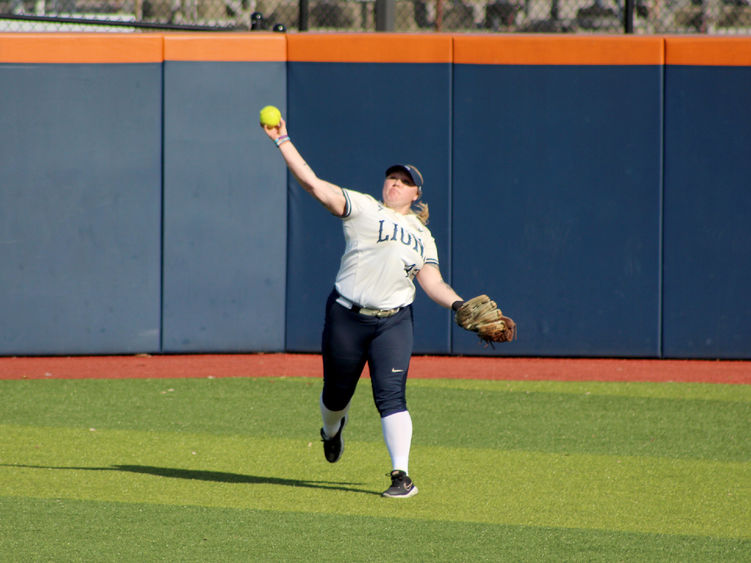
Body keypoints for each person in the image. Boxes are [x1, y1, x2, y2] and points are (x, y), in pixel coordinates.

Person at [262, 116, 466, 498]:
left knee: (391, 396)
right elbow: (313, 184)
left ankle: (401, 476)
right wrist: (283, 140)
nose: (396, 183)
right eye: (392, 177)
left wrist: (458, 305)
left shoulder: (424, 237)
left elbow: (432, 282)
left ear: (416, 193)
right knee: (337, 395)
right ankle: (331, 431)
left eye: (405, 182)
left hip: (393, 322)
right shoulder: (365, 209)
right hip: (346, 316)